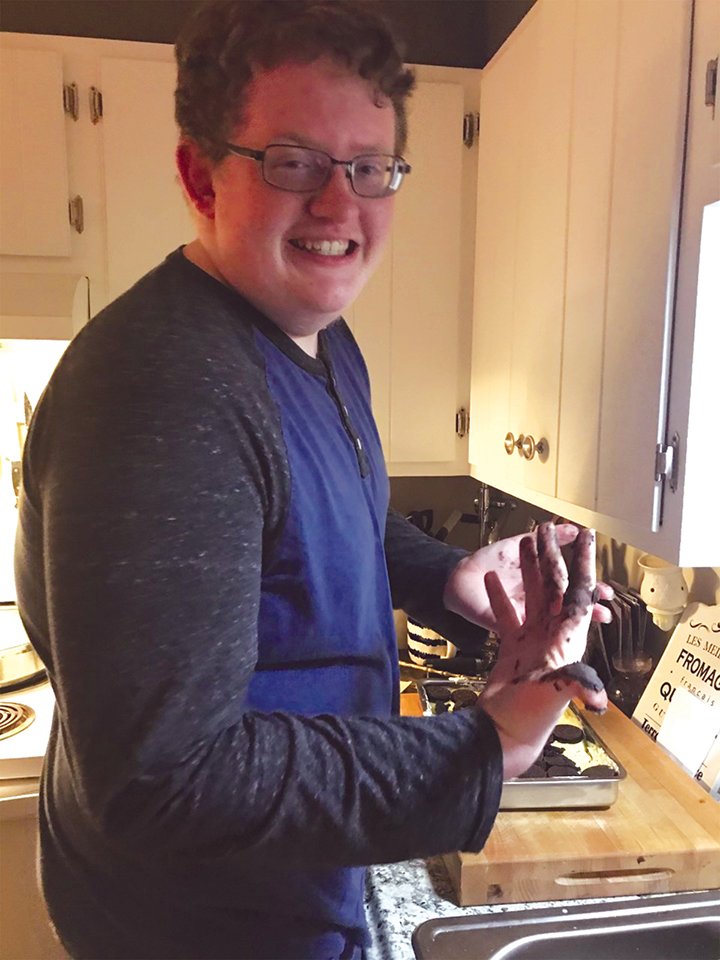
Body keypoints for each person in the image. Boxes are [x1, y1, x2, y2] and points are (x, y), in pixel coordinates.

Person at [13, 2, 610, 958]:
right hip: (199, 935)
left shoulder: (318, 342)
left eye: (370, 168)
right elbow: (167, 777)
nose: (340, 206)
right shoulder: (164, 390)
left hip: (288, 897)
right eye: (293, 162)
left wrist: (444, 578)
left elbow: (332, 517)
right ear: (197, 174)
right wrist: (486, 745)